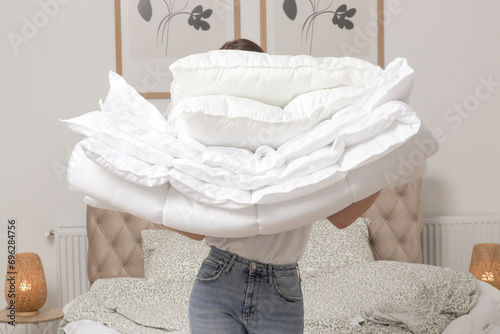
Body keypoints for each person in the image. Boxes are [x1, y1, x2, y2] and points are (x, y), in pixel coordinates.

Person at [179, 39, 381, 334]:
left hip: (281, 289)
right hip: (218, 281)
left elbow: (341, 218)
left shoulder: (301, 134)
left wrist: (386, 169)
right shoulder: (212, 140)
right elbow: (197, 228)